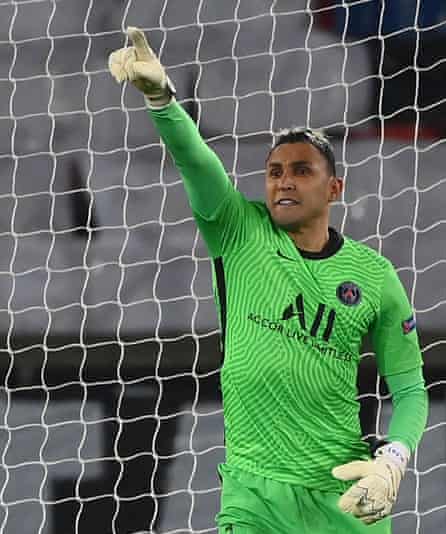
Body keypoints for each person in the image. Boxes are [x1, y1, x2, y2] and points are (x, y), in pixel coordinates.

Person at [108, 27, 428, 534]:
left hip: (343, 496)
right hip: (254, 494)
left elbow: (410, 388)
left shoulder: (374, 275)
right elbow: (196, 160)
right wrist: (161, 99)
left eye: (302, 170)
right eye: (275, 170)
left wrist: (393, 460)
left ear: (335, 188)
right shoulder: (237, 229)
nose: (284, 180)